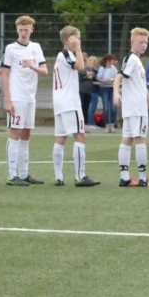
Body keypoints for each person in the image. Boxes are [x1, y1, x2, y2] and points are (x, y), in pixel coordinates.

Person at [1, 16, 48, 186]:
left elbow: (45, 71)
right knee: (15, 132)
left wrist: (33, 66)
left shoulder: (36, 47)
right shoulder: (11, 48)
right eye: (20, 29)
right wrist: (7, 100)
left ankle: (23, 173)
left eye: (26, 29)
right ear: (16, 30)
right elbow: (4, 75)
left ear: (31, 30)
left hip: (30, 97)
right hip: (17, 96)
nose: (23, 33)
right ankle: (12, 175)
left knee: (26, 133)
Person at [52, 26, 100, 187]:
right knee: (80, 135)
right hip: (69, 102)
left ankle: (58, 177)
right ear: (68, 40)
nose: (79, 41)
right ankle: (80, 176)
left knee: (61, 137)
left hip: (60, 101)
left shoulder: (63, 56)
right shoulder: (66, 54)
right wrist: (78, 48)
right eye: (76, 38)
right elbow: (80, 66)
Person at [114, 28, 149, 187]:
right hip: (137, 107)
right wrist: (116, 93)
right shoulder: (132, 59)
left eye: (146, 42)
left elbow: (142, 88)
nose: (144, 45)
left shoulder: (136, 60)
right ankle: (143, 177)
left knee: (127, 139)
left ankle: (125, 177)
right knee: (140, 139)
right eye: (141, 42)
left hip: (131, 107)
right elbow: (118, 77)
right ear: (132, 42)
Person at [96, 54, 119, 132]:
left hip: (112, 88)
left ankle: (112, 124)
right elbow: (98, 77)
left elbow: (117, 77)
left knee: (113, 108)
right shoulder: (102, 68)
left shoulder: (114, 68)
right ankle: (106, 125)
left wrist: (113, 79)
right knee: (105, 108)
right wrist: (104, 81)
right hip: (104, 88)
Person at [82, 55, 100, 129]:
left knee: (89, 107)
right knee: (91, 107)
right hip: (91, 90)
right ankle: (90, 123)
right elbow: (93, 77)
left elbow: (93, 76)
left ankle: (89, 123)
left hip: (91, 90)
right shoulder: (87, 69)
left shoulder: (91, 69)